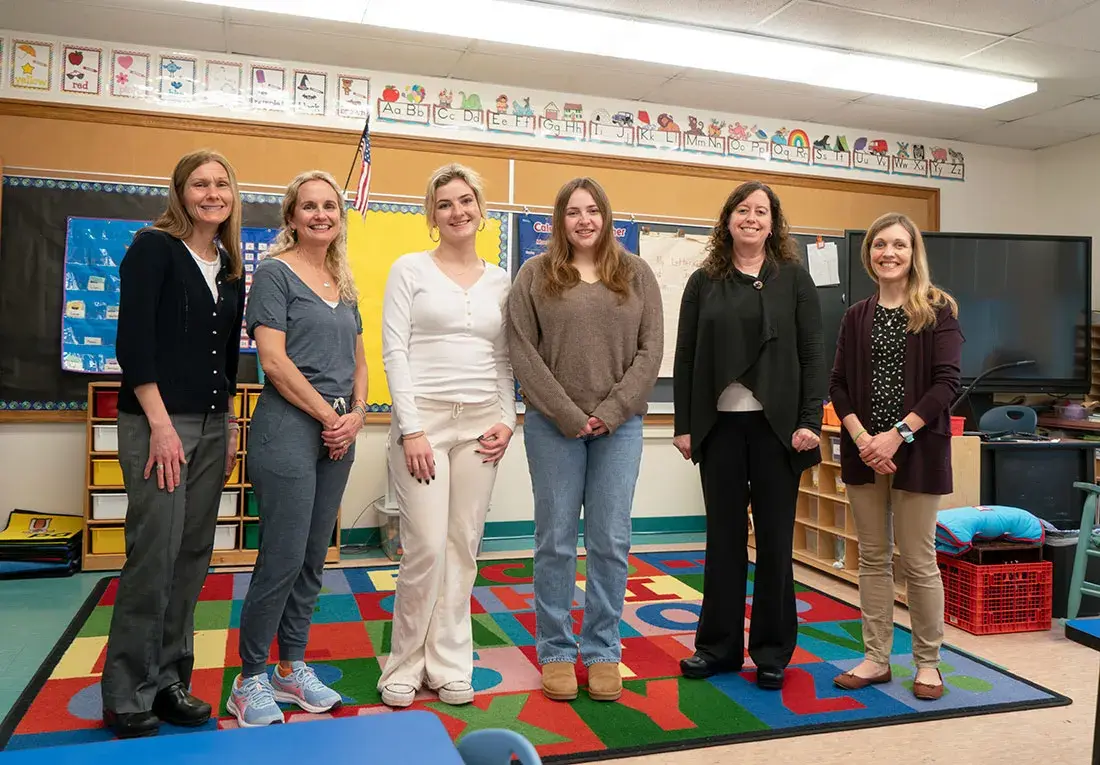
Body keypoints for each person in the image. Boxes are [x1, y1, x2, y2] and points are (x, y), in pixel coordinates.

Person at [101, 149, 245, 738]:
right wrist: (160, 425)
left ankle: (168, 682)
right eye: (199, 184)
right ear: (180, 192)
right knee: (154, 555)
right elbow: (133, 344)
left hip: (211, 425)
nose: (212, 194)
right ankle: (126, 692)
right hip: (158, 423)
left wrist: (229, 425)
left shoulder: (229, 265)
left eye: (221, 184)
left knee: (191, 557)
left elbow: (227, 358)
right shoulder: (153, 248)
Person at [508, 177, 663, 703]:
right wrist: (570, 414)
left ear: (606, 216)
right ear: (559, 220)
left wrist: (611, 412)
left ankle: (602, 651)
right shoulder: (535, 274)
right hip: (553, 427)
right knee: (554, 541)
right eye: (573, 212)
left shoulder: (636, 274)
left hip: (621, 428)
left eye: (592, 210)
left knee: (610, 541)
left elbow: (651, 351)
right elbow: (522, 351)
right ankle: (555, 650)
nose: (584, 220)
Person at [671, 180, 824, 690]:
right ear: (728, 220)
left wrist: (809, 421)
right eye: (742, 209)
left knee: (776, 543)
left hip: (779, 430)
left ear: (773, 223)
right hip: (720, 427)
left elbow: (812, 353)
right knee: (723, 541)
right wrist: (685, 425)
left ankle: (772, 653)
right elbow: (686, 355)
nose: (751, 218)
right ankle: (717, 649)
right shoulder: (703, 281)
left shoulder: (795, 279)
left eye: (761, 211)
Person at [229, 170, 367, 726]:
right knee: (282, 557)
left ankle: (290, 667)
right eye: (308, 206)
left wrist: (356, 415)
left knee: (313, 557)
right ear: (291, 216)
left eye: (330, 206)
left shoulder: (344, 281)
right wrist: (329, 416)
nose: (320, 214)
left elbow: (359, 360)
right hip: (288, 426)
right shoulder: (273, 274)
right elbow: (274, 361)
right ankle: (249, 679)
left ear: (340, 217)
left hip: (338, 433)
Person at [376, 163, 516, 709]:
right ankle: (404, 664)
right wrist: (410, 429)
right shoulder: (409, 269)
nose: (457, 211)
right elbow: (394, 351)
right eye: (444, 204)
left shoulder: (501, 280)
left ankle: (451, 663)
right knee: (426, 548)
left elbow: (504, 357)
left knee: (463, 546)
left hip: (481, 425)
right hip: (424, 426)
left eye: (465, 201)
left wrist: (508, 418)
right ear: (432, 217)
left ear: (480, 208)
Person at [829, 212, 962, 701]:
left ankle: (928, 663)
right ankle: (876, 658)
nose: (889, 253)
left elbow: (947, 383)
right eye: (880, 244)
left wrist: (897, 436)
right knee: (872, 558)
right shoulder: (856, 315)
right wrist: (865, 440)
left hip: (918, 450)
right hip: (865, 452)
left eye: (899, 245)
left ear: (913, 252)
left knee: (919, 559)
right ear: (869, 254)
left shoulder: (938, 311)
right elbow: (838, 385)